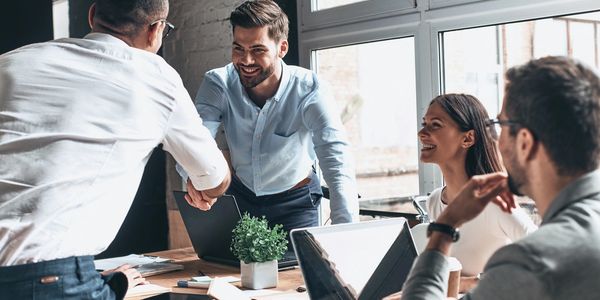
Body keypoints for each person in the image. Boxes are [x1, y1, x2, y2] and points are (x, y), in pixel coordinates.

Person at [0, 0, 231, 299]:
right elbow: (214, 179)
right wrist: (202, 189)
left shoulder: (11, 63)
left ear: (93, 15)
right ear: (155, 31)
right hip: (51, 281)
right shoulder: (154, 77)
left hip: (55, 273)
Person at [399, 56, 600, 299]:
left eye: (500, 125)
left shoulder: (531, 262)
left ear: (525, 142)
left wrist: (444, 227)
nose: (494, 139)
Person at [187, 0, 359, 236]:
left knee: (299, 272)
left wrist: (346, 233)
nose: (246, 61)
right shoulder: (218, 83)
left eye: (258, 50)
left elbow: (336, 160)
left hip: (295, 203)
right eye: (238, 48)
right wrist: (193, 178)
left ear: (282, 48)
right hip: (241, 199)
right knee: (231, 271)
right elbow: (195, 137)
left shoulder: (311, 90)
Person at [418, 94, 536, 286]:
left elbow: (545, 259)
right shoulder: (435, 200)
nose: (422, 132)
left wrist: (466, 283)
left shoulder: (495, 202)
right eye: (424, 123)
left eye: (435, 124)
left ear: (468, 138)